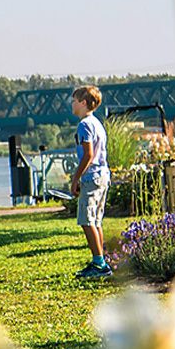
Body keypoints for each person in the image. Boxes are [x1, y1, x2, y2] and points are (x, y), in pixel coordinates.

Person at [70, 85, 112, 279]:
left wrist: (76, 177)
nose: (72, 104)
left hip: (92, 177)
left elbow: (88, 154)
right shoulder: (97, 123)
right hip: (103, 175)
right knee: (96, 220)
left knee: (87, 221)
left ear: (83, 103)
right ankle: (100, 260)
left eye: (74, 101)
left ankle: (99, 264)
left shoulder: (84, 125)